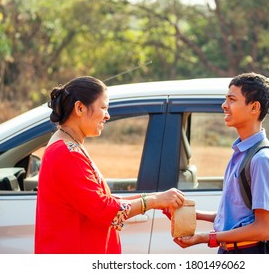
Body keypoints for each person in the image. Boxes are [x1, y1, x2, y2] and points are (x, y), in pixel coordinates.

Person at [35, 76, 185, 254]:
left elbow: (100, 202)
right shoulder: (66, 153)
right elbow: (105, 210)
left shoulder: (69, 146)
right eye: (104, 108)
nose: (107, 115)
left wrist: (157, 198)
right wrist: (153, 201)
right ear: (80, 108)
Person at [173, 72, 269, 254]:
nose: (224, 106)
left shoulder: (262, 159)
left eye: (232, 100)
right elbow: (238, 217)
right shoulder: (242, 153)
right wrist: (191, 214)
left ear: (254, 107)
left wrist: (206, 237)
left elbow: (264, 229)